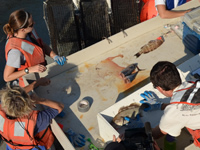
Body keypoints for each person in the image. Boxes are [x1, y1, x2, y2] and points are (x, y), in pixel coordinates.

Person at [140, 61, 200, 148]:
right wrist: (160, 105)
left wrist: (139, 126)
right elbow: (186, 106)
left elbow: (155, 134)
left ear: (159, 88)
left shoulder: (173, 113)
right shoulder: (194, 83)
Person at [3, 9, 67, 87]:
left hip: (41, 74)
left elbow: (41, 45)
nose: (34, 23)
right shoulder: (15, 52)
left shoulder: (30, 31)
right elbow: (7, 77)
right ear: (23, 29)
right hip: (29, 83)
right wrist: (29, 70)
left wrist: (54, 56)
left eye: (33, 21)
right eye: (31, 24)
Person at [0, 81, 64, 150]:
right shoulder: (37, 120)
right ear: (27, 106)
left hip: (12, 144)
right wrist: (39, 100)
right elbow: (60, 106)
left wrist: (36, 83)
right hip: (31, 147)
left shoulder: (3, 106)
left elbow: (13, 97)